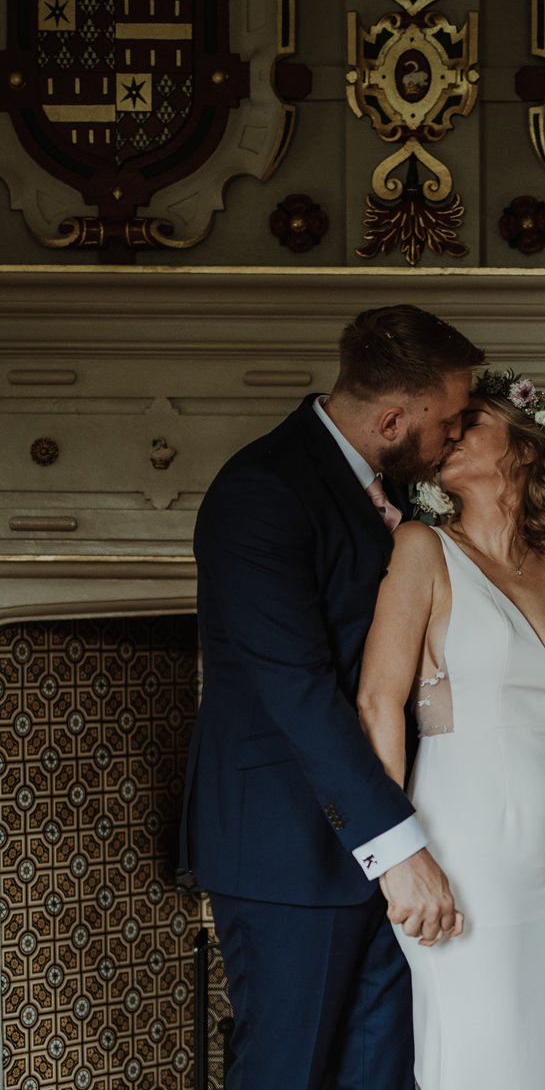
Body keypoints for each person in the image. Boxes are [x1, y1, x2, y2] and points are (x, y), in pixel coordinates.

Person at [179, 304, 488, 1090]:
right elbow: (297, 690)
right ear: (392, 417)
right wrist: (400, 849)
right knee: (289, 1074)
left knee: (380, 1076)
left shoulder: (393, 497)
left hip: (389, 844)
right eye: (448, 422)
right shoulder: (262, 491)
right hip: (288, 852)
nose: (456, 436)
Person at [357, 369, 545, 1090]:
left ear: (524, 449)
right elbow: (376, 702)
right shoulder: (424, 550)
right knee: (477, 1059)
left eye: (471, 423)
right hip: (462, 851)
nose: (448, 431)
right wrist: (394, 859)